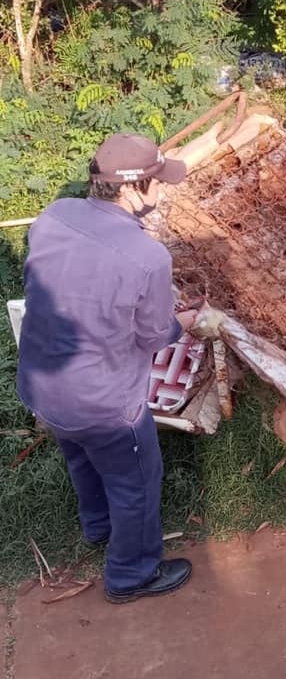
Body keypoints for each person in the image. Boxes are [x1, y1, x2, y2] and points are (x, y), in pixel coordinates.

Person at [17, 133, 199, 602]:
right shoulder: (148, 257)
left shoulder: (54, 215)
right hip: (103, 402)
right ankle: (131, 575)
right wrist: (189, 319)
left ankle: (97, 527)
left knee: (81, 456)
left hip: (42, 385)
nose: (163, 191)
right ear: (133, 190)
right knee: (136, 481)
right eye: (158, 183)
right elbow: (154, 336)